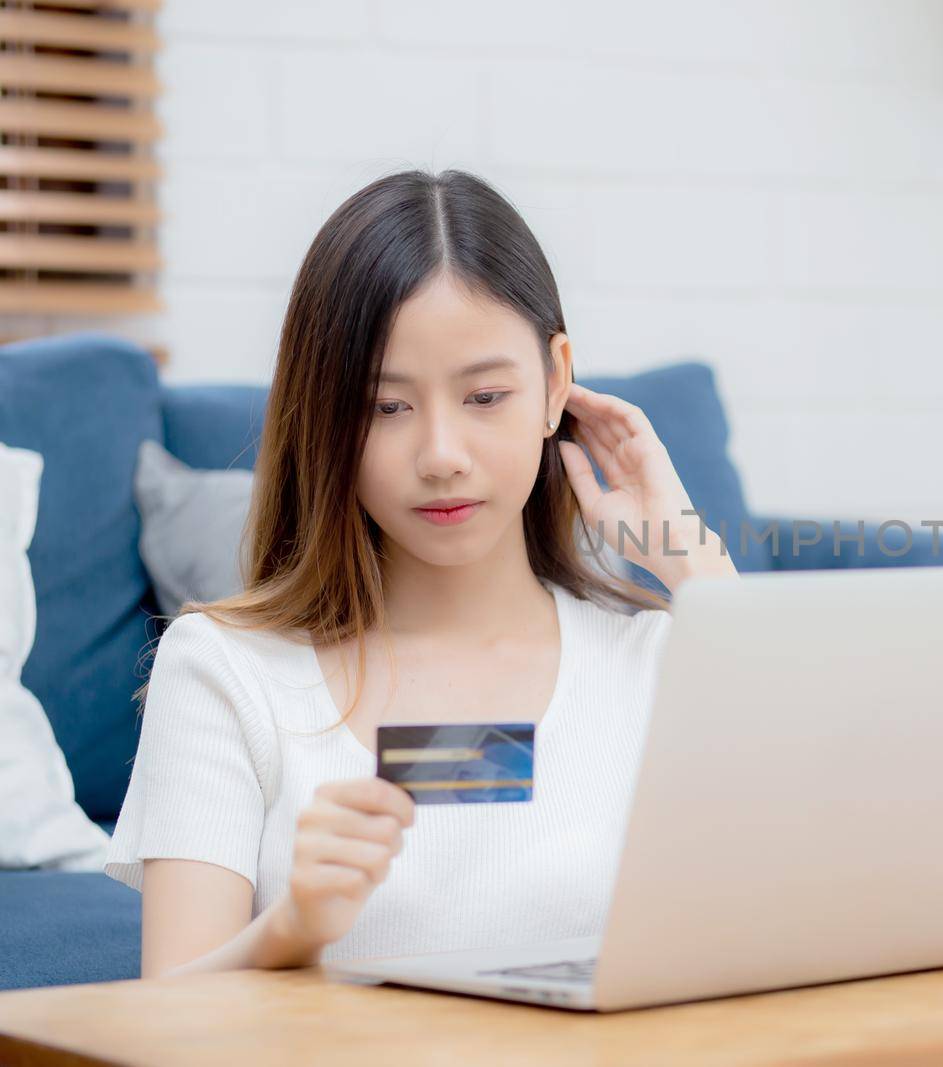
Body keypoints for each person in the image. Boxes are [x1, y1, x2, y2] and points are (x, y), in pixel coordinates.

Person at [102, 168, 739, 978]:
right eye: (385, 407)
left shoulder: (660, 660)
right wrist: (292, 928)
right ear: (327, 415)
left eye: (484, 396)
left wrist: (696, 565)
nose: (441, 456)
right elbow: (161, 1029)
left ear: (555, 384)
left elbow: (818, 897)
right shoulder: (224, 670)